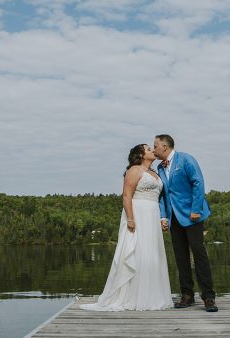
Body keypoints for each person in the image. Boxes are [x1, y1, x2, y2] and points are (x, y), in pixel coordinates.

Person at [81, 144, 174, 311]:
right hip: (138, 213)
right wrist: (130, 218)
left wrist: (161, 217)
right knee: (136, 251)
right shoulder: (134, 170)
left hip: (152, 215)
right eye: (148, 149)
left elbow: (160, 196)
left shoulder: (155, 172)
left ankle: (152, 295)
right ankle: (132, 296)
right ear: (140, 155)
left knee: (151, 253)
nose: (152, 150)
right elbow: (126, 195)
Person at [153, 134, 217, 312]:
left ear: (164, 147)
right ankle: (187, 295)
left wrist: (196, 209)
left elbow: (198, 182)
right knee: (180, 257)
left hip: (192, 215)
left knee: (199, 254)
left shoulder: (186, 159)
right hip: (174, 218)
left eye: (155, 146)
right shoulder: (159, 167)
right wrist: (163, 217)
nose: (153, 149)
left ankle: (208, 297)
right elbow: (163, 195)